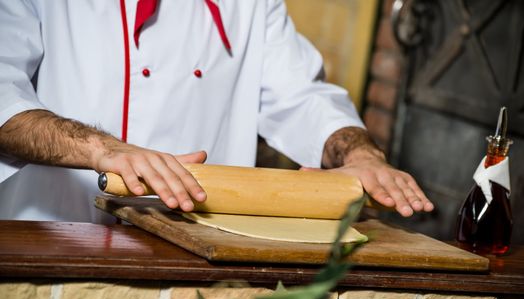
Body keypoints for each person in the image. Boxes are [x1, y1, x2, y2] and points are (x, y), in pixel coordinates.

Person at [0, 0, 433, 223]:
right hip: (55, 234)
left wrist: (361, 155)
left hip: (195, 253)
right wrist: (102, 149)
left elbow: (302, 95)